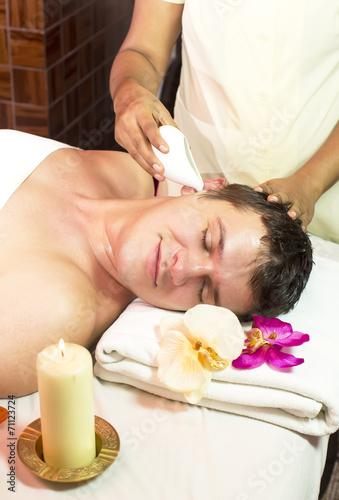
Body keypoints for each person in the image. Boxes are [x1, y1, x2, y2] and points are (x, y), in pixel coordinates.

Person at [0, 130, 312, 398]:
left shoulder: (56, 311)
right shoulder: (128, 171)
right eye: (207, 239)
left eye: (204, 291)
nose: (180, 270)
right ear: (208, 187)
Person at [110, 0, 339, 243]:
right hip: (197, 198)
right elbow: (143, 50)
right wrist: (129, 94)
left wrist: (311, 183)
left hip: (326, 203)